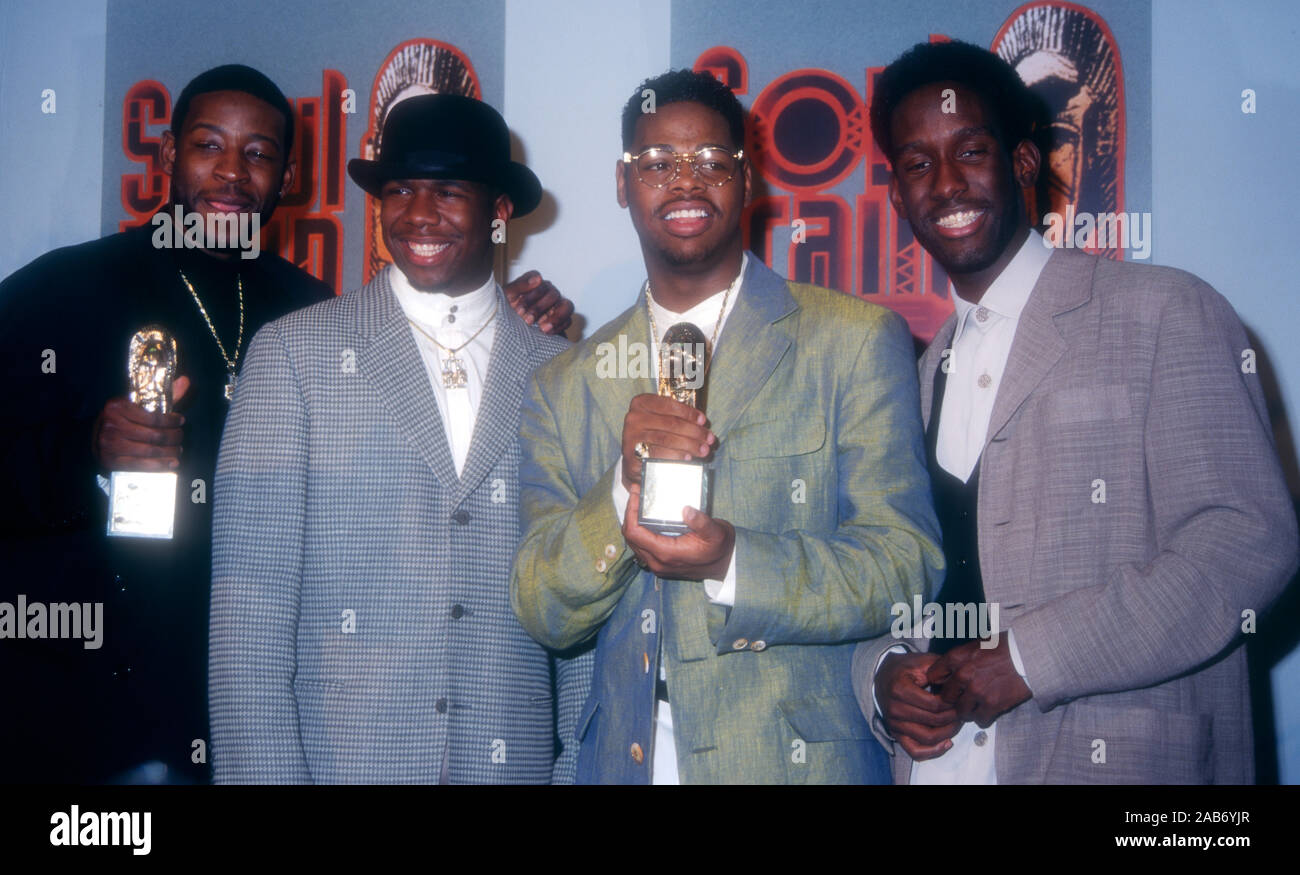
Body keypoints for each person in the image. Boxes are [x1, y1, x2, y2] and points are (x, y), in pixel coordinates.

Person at [0, 65, 571, 785]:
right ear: (169, 156)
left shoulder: (304, 306)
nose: (232, 172)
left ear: (288, 175)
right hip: (84, 702)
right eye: (209, 145)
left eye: (259, 153)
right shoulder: (65, 288)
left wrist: (519, 332)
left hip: (249, 706)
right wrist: (80, 452)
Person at [853, 40, 1298, 783]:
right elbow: (889, 576)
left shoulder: (1164, 311)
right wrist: (882, 674)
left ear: (1025, 164)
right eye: (918, 165)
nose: (947, 184)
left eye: (971, 150)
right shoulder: (916, 372)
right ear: (897, 196)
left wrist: (1029, 658)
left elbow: (1247, 540)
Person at [511, 69, 943, 784]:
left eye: (713, 161)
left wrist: (730, 562)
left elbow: (905, 565)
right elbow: (541, 608)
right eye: (656, 164)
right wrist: (622, 491)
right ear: (623, 184)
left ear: (751, 182)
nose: (685, 182)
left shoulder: (854, 340)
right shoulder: (564, 382)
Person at [208, 93, 589, 784]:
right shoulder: (293, 354)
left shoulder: (560, 372)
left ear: (499, 210)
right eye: (399, 190)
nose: (418, 214)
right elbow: (247, 616)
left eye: (447, 191)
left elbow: (585, 616)